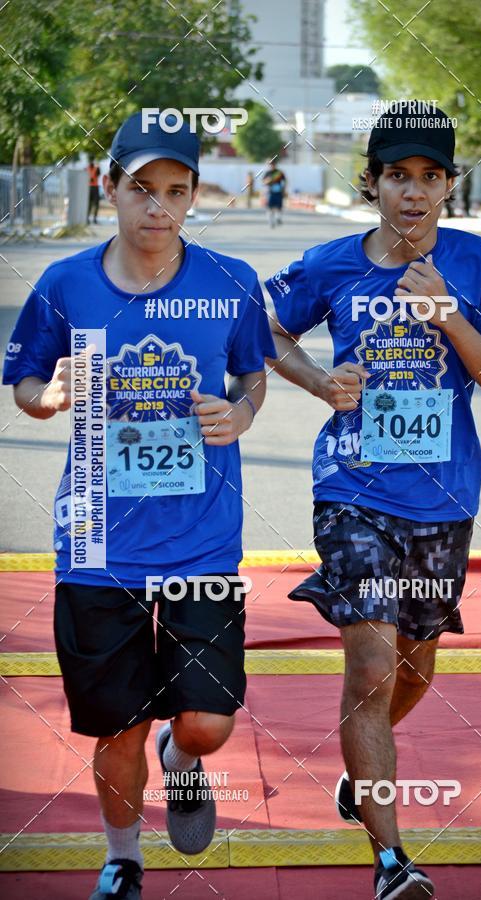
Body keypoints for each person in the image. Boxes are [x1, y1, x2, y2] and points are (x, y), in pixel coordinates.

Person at [3, 111, 276, 900]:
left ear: (193, 198)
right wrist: (45, 396)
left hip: (202, 542)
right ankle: (122, 858)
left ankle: (183, 759)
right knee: (114, 724)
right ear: (110, 186)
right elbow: (23, 378)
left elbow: (252, 373)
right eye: (141, 189)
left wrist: (244, 412)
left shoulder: (228, 283)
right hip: (94, 539)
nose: (157, 208)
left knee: (207, 722)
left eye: (176, 192)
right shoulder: (66, 283)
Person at [265, 105, 481, 899]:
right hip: (352, 491)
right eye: (396, 177)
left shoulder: (478, 265)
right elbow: (266, 329)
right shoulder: (332, 263)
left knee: (415, 668)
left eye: (429, 178)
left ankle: (359, 777)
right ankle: (391, 863)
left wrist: (448, 313)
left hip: (443, 500)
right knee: (373, 668)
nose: (412, 193)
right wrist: (318, 380)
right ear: (372, 183)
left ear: (448, 186)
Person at [262, 159, 286, 227]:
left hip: (278, 192)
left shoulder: (279, 172)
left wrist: (284, 190)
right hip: (270, 192)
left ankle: (278, 218)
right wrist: (268, 181)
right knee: (270, 207)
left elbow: (285, 181)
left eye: (273, 164)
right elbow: (263, 182)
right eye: (270, 164)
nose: (272, 165)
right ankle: (271, 221)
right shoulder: (267, 173)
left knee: (279, 206)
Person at [87, 156, 101, 224]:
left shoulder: (96, 168)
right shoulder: (86, 169)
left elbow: (98, 173)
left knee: (96, 204)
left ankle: (94, 219)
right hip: (89, 188)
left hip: (95, 187)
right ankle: (87, 218)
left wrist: (98, 165)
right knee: (88, 204)